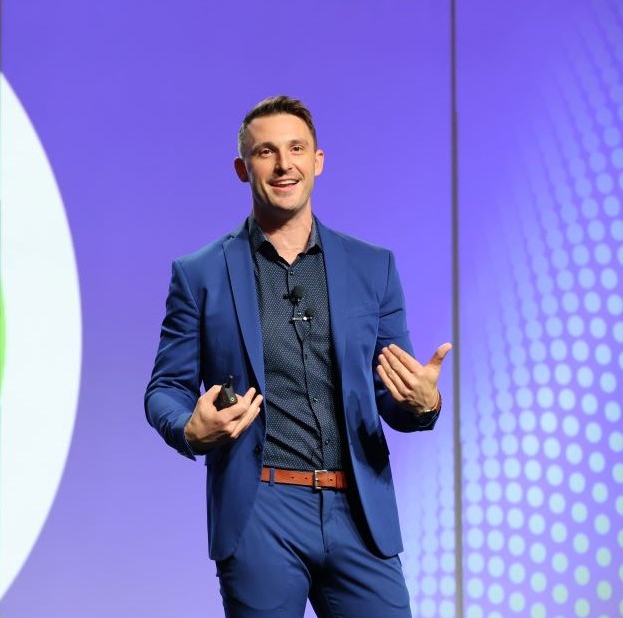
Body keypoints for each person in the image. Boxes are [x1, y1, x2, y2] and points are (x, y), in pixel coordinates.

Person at [144, 95, 451, 617]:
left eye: (296, 149)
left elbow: (391, 395)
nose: (284, 165)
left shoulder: (372, 267)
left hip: (359, 509)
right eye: (266, 152)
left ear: (317, 161)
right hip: (260, 508)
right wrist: (189, 430)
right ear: (243, 168)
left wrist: (423, 404)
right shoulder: (199, 274)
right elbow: (165, 388)